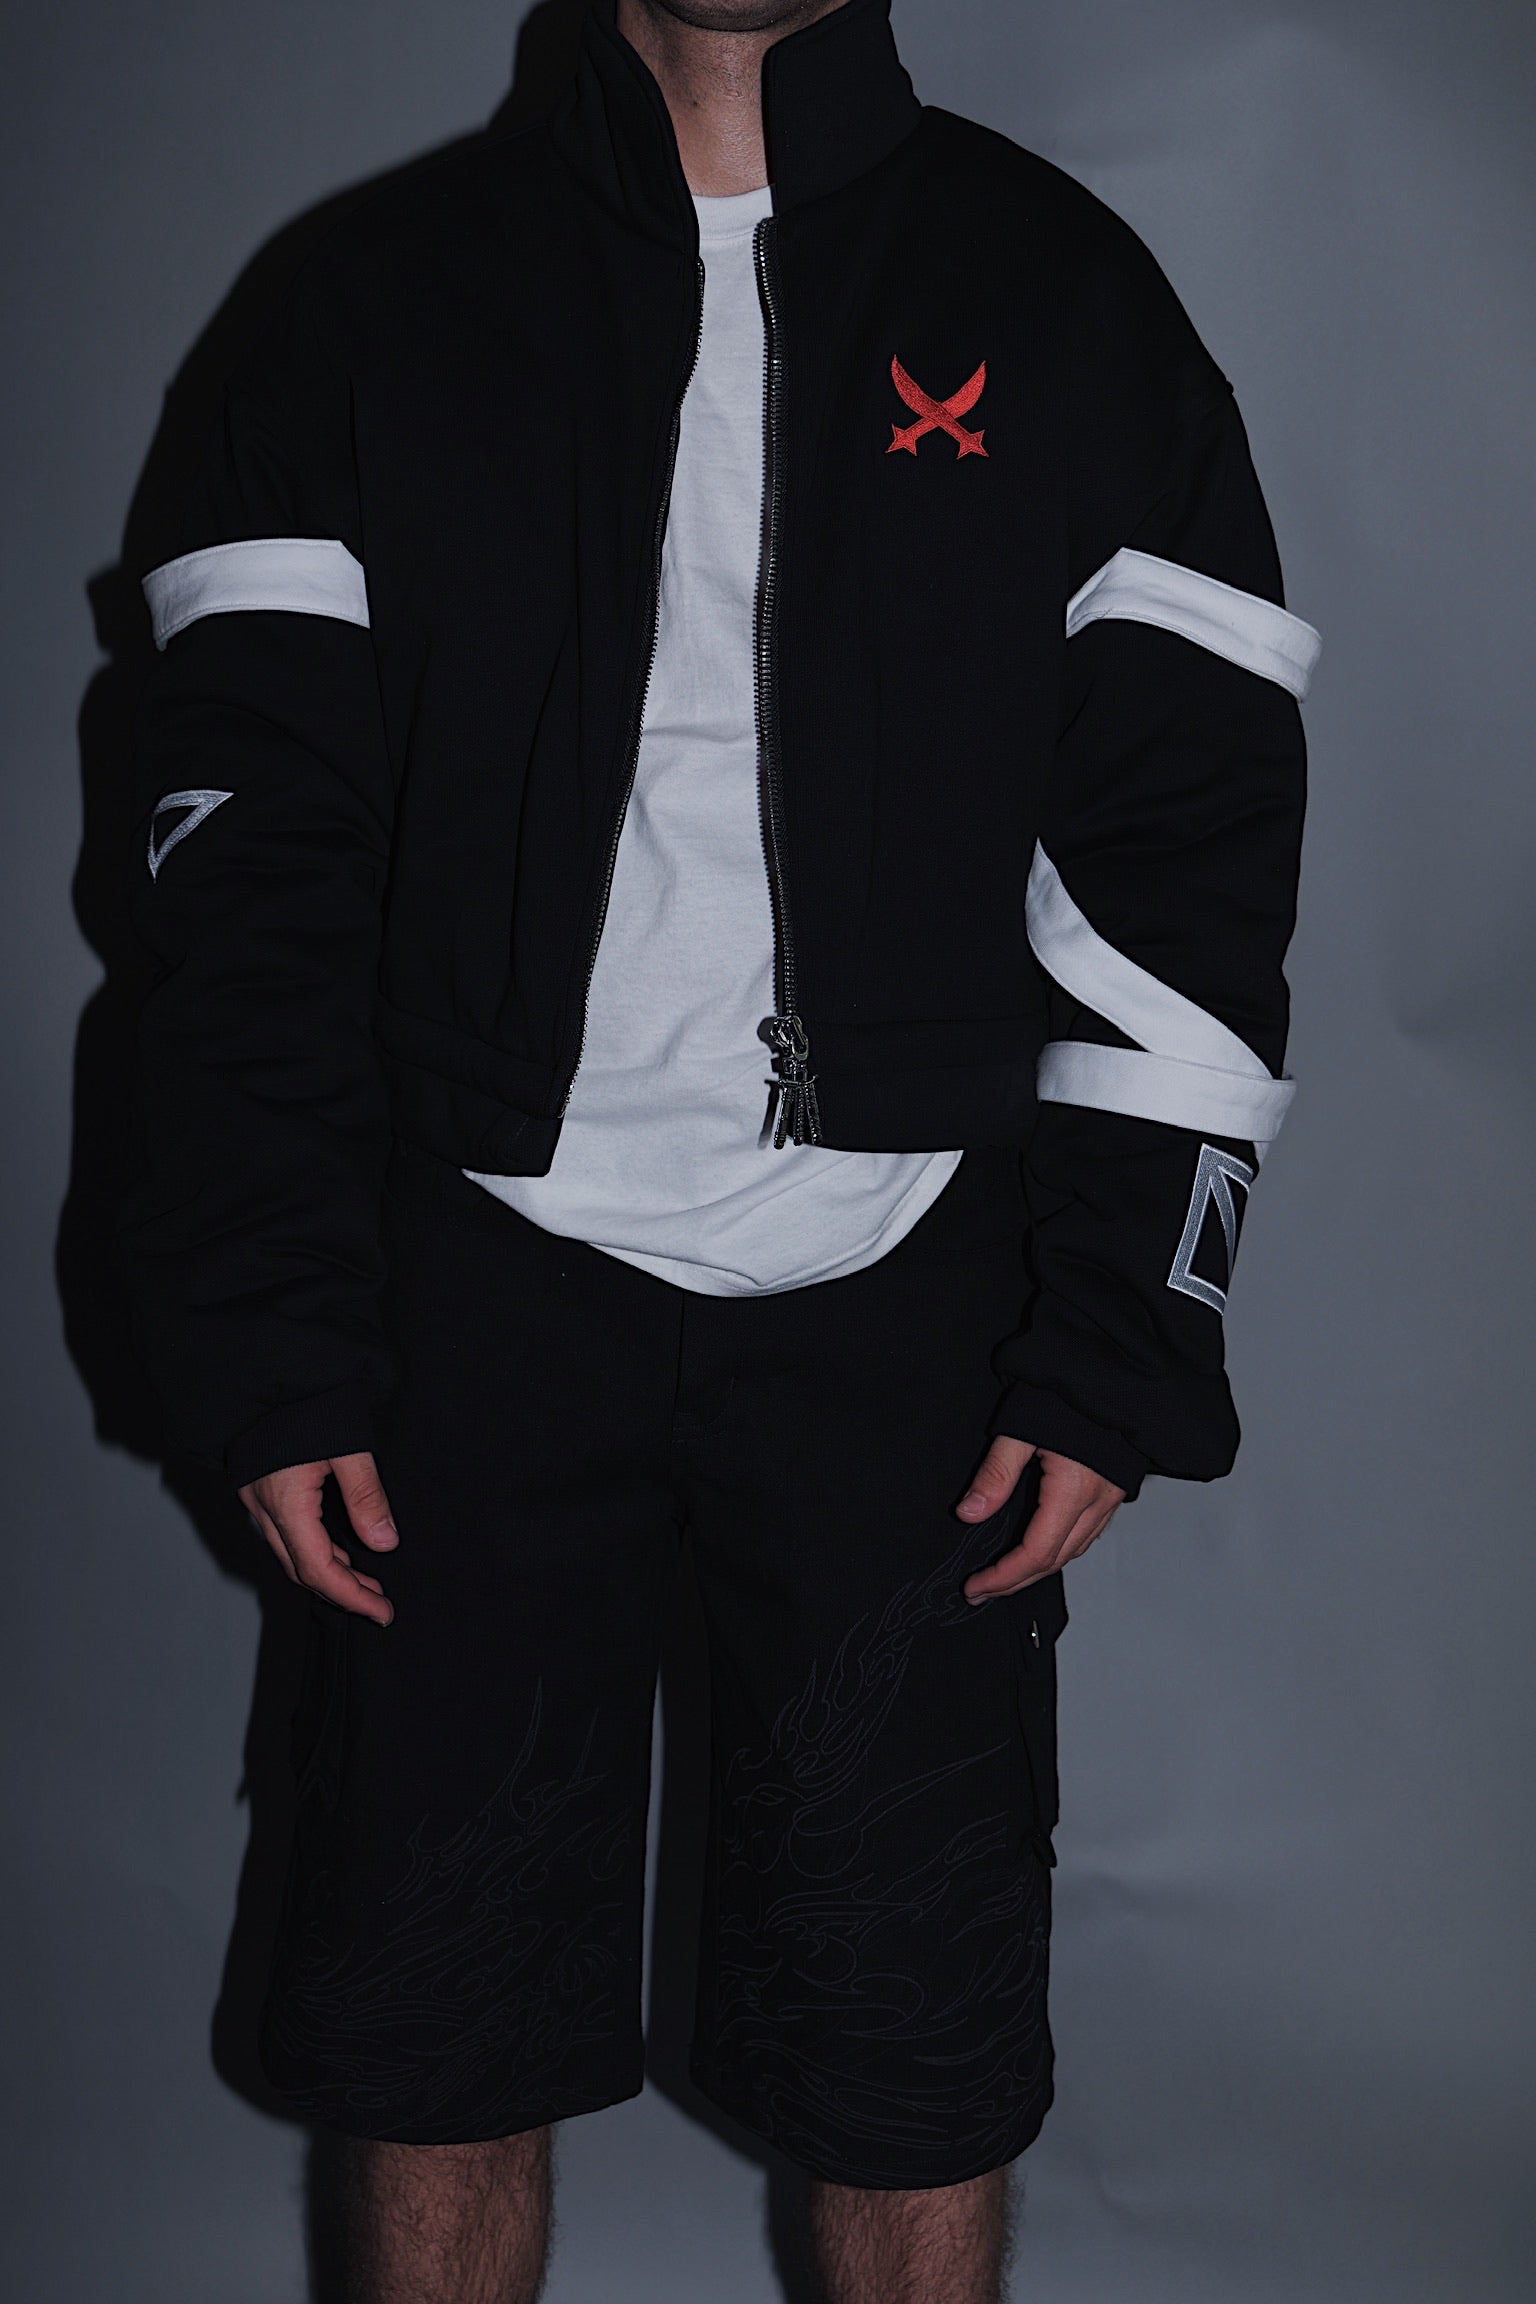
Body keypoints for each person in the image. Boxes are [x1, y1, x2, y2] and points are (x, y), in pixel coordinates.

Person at [123, 0, 1318, 2295]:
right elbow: (243, 875)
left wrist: (1119, 1338)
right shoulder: (362, 302)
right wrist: (271, 1329)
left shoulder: (1065, 297)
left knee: (912, 2051)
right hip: (470, 1283)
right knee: (435, 2039)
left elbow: (1186, 850)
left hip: (916, 1306)